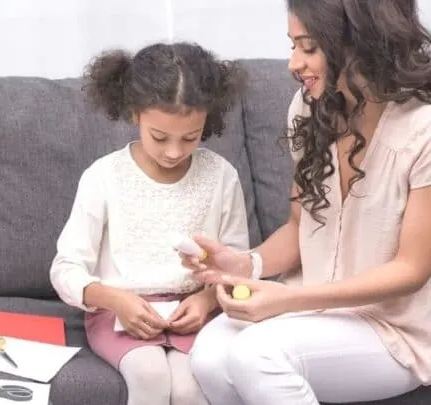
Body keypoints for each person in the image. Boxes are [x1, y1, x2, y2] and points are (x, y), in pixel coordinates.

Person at [180, 1, 431, 404]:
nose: (294, 63)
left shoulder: (423, 128)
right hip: (312, 312)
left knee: (257, 354)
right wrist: (245, 264)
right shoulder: (307, 109)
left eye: (308, 47)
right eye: (293, 46)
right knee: (209, 355)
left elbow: (411, 269)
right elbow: (301, 227)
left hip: (392, 330)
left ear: (359, 44)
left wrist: (287, 300)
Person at [49, 42, 249, 405]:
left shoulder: (221, 175)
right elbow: (66, 268)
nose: (174, 151)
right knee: (149, 374)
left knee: (192, 387)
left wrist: (206, 300)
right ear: (134, 114)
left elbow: (237, 262)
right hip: (120, 312)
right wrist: (115, 299)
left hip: (195, 313)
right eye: (160, 137)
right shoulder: (104, 176)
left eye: (190, 137)